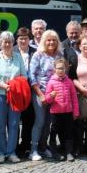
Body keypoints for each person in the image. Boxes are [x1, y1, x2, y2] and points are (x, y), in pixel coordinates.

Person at [0, 31, 27, 163]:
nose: (7, 44)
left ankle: (11, 152)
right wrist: (5, 86)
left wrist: (15, 85)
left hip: (15, 95)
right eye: (4, 42)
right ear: (0, 43)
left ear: (13, 43)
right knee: (0, 124)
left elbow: (24, 76)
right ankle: (1, 152)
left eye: (9, 42)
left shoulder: (18, 57)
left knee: (14, 124)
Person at [29, 30, 63, 161]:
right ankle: (33, 150)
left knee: (48, 122)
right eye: (48, 40)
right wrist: (40, 94)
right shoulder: (38, 55)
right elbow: (31, 76)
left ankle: (43, 148)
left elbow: (61, 72)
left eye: (54, 40)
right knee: (40, 121)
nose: (51, 42)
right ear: (44, 41)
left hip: (54, 94)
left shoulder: (59, 54)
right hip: (40, 92)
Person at [45, 58, 81, 161]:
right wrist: (51, 96)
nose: (61, 70)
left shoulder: (69, 81)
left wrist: (76, 111)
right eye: (59, 68)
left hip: (68, 112)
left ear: (66, 69)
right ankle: (54, 152)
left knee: (68, 132)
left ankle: (68, 152)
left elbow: (74, 97)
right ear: (55, 69)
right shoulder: (51, 82)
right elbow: (47, 99)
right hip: (56, 113)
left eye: (63, 68)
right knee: (54, 131)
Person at [14, 27, 36, 158]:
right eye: (21, 38)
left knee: (29, 119)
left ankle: (26, 145)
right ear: (17, 40)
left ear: (29, 40)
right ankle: (14, 146)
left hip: (30, 90)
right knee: (15, 120)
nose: (23, 41)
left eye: (25, 38)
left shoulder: (35, 52)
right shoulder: (13, 51)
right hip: (16, 90)